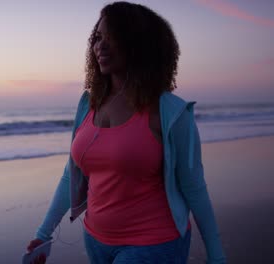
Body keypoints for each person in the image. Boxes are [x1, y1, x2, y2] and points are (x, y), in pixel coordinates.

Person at [26, 1, 226, 264]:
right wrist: (43, 234)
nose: (101, 46)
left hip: (154, 243)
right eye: (97, 38)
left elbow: (195, 188)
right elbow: (71, 174)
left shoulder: (171, 112)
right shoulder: (89, 103)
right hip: (96, 240)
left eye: (113, 37)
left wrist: (217, 257)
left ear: (139, 44)